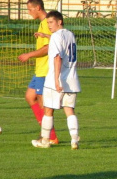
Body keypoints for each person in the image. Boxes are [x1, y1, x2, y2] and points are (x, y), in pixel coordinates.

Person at [31, 10, 81, 150]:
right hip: (72, 80)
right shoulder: (70, 34)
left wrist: (57, 80)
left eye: (51, 22)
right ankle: (74, 140)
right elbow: (58, 39)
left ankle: (45, 140)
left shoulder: (55, 38)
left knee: (48, 110)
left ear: (59, 22)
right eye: (47, 23)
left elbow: (57, 57)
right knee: (69, 110)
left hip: (56, 81)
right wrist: (45, 35)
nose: (49, 25)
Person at [17, 0, 59, 144]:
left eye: (30, 9)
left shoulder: (48, 23)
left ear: (38, 8)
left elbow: (49, 47)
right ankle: (47, 133)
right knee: (30, 96)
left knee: (43, 103)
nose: (29, 12)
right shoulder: (42, 24)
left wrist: (29, 54)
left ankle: (50, 136)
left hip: (46, 70)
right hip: (39, 69)